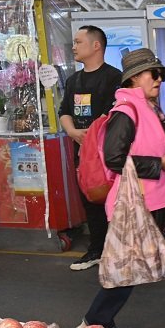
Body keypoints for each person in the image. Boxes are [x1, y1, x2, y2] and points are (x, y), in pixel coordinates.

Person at [80, 48, 165, 328]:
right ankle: (95, 322)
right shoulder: (126, 112)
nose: (159, 79)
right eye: (153, 74)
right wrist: (161, 164)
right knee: (129, 267)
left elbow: (150, 149)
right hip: (136, 202)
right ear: (134, 78)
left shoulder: (148, 108)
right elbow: (114, 158)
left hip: (158, 198)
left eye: (161, 74)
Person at [58, 25, 121, 271]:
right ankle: (96, 251)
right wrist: (73, 132)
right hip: (82, 154)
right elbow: (64, 112)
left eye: (78, 42)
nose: (73, 46)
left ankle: (119, 252)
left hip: (106, 154)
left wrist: (91, 136)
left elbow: (111, 114)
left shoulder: (114, 77)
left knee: (113, 203)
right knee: (90, 203)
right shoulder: (74, 80)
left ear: (96, 46)